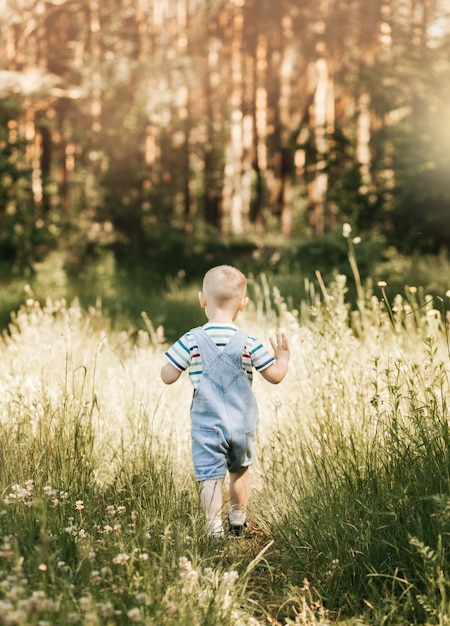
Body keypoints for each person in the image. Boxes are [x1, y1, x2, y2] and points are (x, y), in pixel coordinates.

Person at [161, 265, 290, 537]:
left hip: (207, 424)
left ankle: (213, 529)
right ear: (243, 305)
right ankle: (238, 519)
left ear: (202, 299)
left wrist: (175, 364)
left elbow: (168, 376)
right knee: (240, 470)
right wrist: (283, 359)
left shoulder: (191, 339)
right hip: (243, 422)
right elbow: (275, 376)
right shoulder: (249, 342)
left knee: (210, 475)